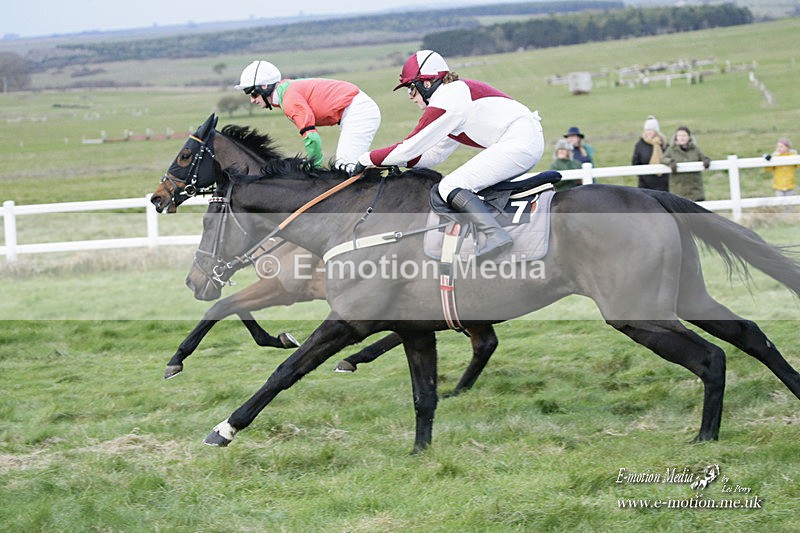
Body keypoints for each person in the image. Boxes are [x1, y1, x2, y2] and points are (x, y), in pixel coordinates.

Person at [355, 50, 545, 258]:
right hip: (524, 141)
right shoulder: (454, 97)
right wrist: (395, 162)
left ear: (426, 83)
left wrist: (366, 159)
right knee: (456, 184)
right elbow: (435, 154)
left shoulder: (447, 99)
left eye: (411, 88)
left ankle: (495, 235)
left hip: (519, 142)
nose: (410, 96)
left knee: (449, 186)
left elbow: (408, 148)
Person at [235, 60, 381, 171]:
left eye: (252, 93)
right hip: (354, 110)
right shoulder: (286, 91)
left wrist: (315, 168)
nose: (252, 100)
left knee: (345, 169)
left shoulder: (289, 99)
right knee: (345, 168)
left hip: (358, 111)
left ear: (264, 86)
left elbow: (312, 138)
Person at [661, 126, 711, 202]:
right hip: (678, 189)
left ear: (689, 137)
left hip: (695, 190)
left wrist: (706, 160)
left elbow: (703, 158)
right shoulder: (671, 150)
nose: (681, 138)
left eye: (684, 135)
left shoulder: (695, 149)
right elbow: (662, 159)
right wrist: (670, 162)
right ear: (676, 137)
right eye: (679, 136)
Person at [632, 115, 668, 191]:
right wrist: (643, 177)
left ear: (656, 131)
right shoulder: (640, 145)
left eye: (651, 130)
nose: (649, 132)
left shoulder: (664, 144)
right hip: (645, 185)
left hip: (663, 184)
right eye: (647, 130)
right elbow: (635, 163)